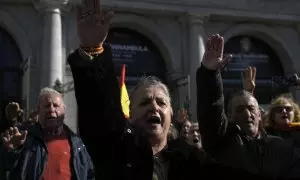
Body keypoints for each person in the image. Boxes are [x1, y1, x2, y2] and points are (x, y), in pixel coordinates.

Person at [68, 0, 272, 179]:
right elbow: (99, 111)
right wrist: (93, 51)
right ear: (131, 114)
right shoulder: (115, 152)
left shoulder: (191, 161)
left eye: (161, 103)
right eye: (145, 102)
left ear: (171, 113)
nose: (154, 108)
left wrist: (209, 74)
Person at [197, 34, 300, 178]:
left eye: (251, 109)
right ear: (230, 116)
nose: (246, 114)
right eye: (239, 110)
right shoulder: (222, 142)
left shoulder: (281, 147)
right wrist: (209, 73)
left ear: (260, 113)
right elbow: (211, 110)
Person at [0, 88, 94, 180]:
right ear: (38, 110)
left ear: (64, 110)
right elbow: (5, 168)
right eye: (47, 106)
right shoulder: (25, 139)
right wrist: (10, 150)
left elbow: (89, 175)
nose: (51, 109)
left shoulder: (78, 144)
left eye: (56, 105)